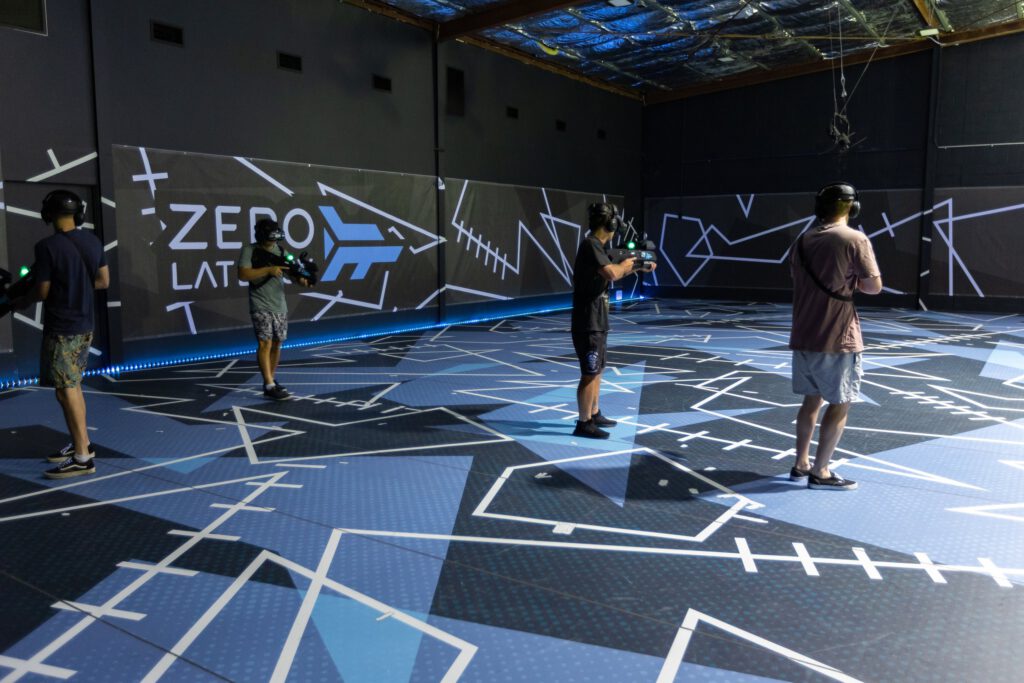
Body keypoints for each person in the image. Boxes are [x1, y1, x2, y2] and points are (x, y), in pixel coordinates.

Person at [789, 182, 882, 490]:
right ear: (851, 207)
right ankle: (821, 470)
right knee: (840, 402)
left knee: (810, 401)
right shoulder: (854, 238)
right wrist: (852, 281)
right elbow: (874, 286)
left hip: (804, 334)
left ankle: (800, 464)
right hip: (838, 336)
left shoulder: (802, 241)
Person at [13, 189, 109, 479]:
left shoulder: (47, 247)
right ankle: (84, 446)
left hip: (62, 327)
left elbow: (41, 290)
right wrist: (76, 285)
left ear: (49, 214)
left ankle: (82, 457)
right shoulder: (93, 241)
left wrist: (17, 299)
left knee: (66, 390)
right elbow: (103, 281)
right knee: (72, 386)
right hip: (85, 325)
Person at [571, 203, 655, 439]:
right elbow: (612, 273)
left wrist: (635, 266)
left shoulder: (597, 247)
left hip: (597, 319)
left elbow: (615, 270)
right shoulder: (591, 245)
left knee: (597, 369)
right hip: (588, 321)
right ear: (611, 225)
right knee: (589, 372)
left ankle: (594, 413)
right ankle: (583, 422)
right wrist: (628, 265)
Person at [237, 219, 310, 400]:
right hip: (260, 303)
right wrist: (268, 270)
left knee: (277, 343)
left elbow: (294, 276)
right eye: (270, 235)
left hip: (279, 305)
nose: (273, 240)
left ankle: (270, 379)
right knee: (265, 343)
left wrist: (303, 278)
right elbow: (243, 274)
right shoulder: (250, 250)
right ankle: (269, 384)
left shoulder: (282, 251)